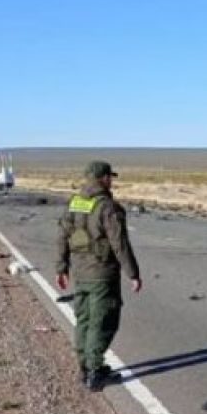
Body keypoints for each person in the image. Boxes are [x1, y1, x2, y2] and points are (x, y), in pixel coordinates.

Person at [55, 161, 143, 391]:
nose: (111, 181)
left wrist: (61, 267)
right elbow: (119, 244)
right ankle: (94, 372)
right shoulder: (107, 207)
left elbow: (62, 237)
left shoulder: (74, 203)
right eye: (109, 177)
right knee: (102, 322)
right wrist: (133, 273)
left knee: (83, 320)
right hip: (102, 273)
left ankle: (85, 367)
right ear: (102, 178)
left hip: (80, 272)